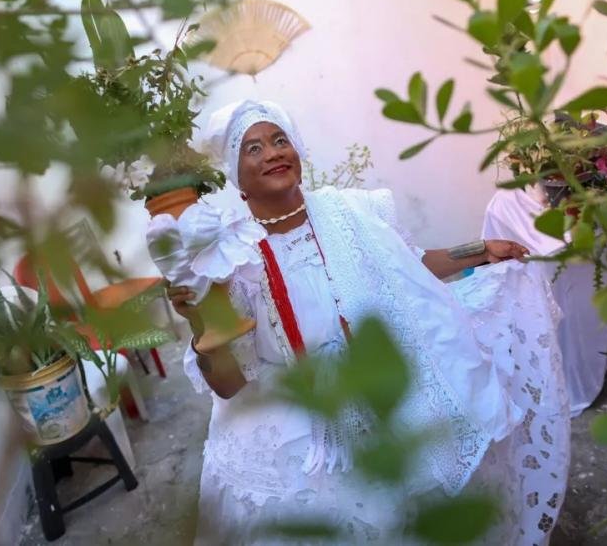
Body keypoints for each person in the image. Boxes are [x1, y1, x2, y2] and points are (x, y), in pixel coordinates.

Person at [165, 100, 569, 545]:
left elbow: (410, 265)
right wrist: (201, 325)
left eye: (281, 140)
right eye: (254, 148)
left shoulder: (352, 211)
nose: (273, 153)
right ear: (235, 175)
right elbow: (229, 384)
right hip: (304, 421)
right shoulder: (231, 259)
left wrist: (481, 250)